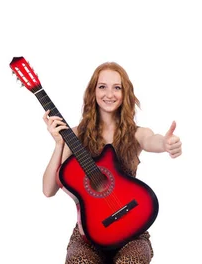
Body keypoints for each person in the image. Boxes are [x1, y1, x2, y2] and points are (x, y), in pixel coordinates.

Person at [41, 62, 182, 264]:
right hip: (88, 235)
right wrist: (58, 145)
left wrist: (167, 144)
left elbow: (152, 140)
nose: (109, 94)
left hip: (132, 232)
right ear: (93, 92)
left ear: (125, 93)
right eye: (102, 87)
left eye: (117, 87)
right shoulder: (74, 135)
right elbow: (48, 190)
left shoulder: (135, 133)